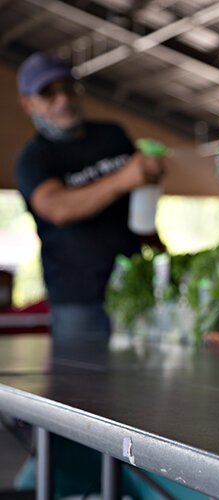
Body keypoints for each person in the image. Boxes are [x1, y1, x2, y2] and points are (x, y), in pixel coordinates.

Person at [13, 52, 165, 343]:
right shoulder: (33, 159)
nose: (63, 99)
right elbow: (57, 208)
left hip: (133, 285)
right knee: (81, 385)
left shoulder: (112, 135)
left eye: (68, 88)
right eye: (48, 93)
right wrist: (125, 178)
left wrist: (159, 248)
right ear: (27, 103)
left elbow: (139, 202)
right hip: (78, 298)